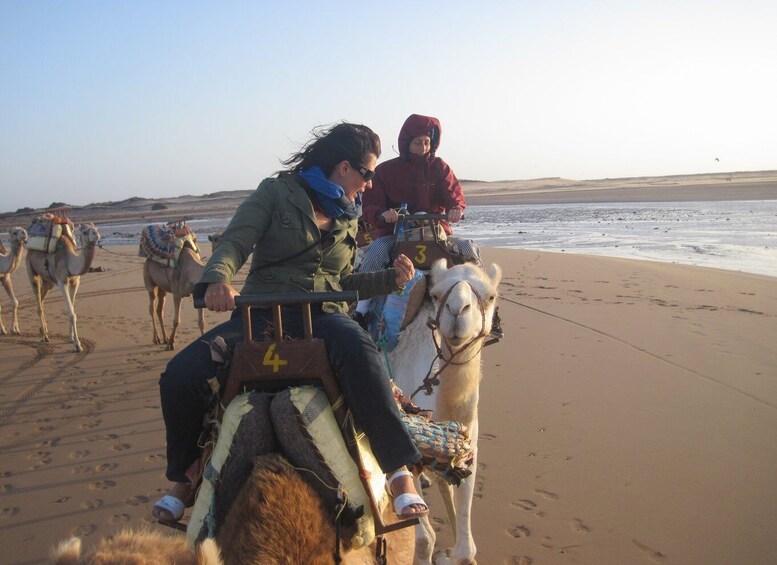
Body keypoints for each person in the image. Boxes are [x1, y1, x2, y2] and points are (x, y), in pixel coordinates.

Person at [151, 122, 427, 523]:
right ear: (345, 167)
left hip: (324, 318)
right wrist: (218, 279)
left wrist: (391, 279)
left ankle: (398, 470)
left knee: (363, 355)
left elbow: (343, 281)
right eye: (367, 174)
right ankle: (186, 475)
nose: (370, 184)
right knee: (180, 376)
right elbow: (235, 242)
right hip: (261, 314)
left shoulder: (349, 216)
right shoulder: (276, 193)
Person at [354, 114, 502, 338]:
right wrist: (383, 215)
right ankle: (361, 311)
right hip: (397, 236)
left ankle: (489, 307)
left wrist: (456, 208)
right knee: (375, 253)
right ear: (406, 142)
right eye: (417, 142)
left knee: (469, 249)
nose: (423, 147)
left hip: (436, 237)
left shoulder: (439, 168)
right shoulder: (386, 171)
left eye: (426, 142)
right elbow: (371, 204)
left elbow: (454, 194)